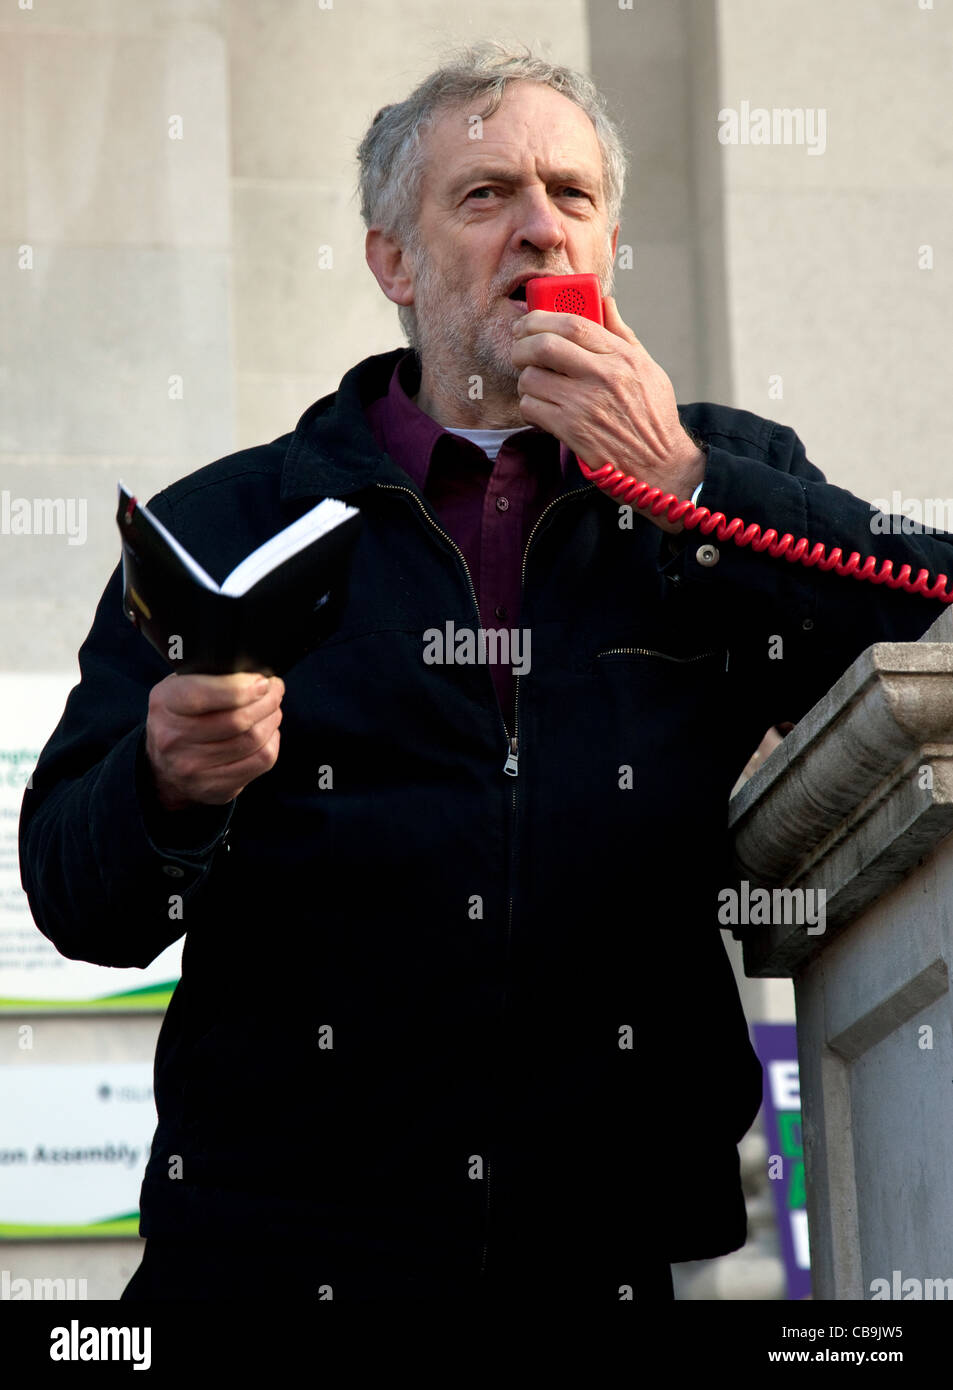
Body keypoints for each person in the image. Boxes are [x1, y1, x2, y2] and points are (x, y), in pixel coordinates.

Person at [19, 40, 953, 1304]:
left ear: (610, 246)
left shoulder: (724, 479)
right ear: (392, 263)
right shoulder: (231, 521)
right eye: (484, 196)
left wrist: (689, 488)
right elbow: (78, 896)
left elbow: (930, 621)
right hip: (272, 1252)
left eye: (572, 197)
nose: (538, 229)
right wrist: (164, 788)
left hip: (597, 1257)